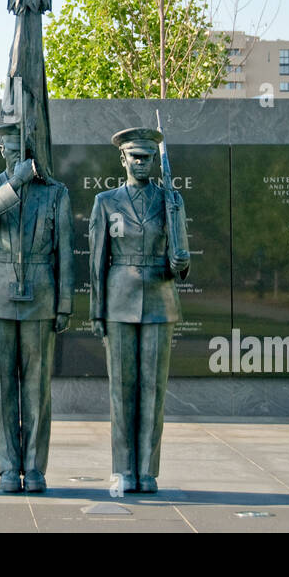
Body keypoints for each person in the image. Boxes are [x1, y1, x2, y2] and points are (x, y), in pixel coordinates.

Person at [0, 122, 73, 493]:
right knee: (1, 389)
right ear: (2, 152)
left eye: (23, 153)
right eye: (11, 153)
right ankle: (8, 468)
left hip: (41, 295)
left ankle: (35, 466)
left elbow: (64, 252)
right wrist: (14, 182)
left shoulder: (54, 193)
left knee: (36, 388)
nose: (18, 159)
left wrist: (64, 304)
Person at [88, 126, 190, 494]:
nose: (142, 163)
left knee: (153, 390)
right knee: (122, 390)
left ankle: (147, 470)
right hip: (118, 299)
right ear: (124, 159)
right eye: (135, 157)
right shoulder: (106, 201)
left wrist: (180, 261)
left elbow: (181, 258)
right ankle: (123, 469)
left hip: (160, 299)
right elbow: (98, 261)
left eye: (147, 158)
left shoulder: (170, 200)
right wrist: (97, 312)